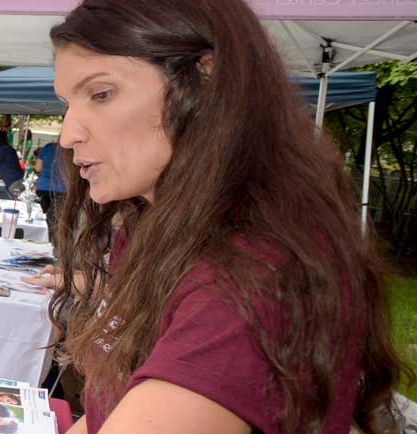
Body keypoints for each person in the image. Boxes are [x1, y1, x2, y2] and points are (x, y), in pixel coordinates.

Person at [36, 1, 410, 433]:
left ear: (204, 79)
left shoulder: (255, 282)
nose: (68, 133)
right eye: (67, 103)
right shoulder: (154, 226)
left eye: (101, 94)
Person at [33, 139, 66, 234]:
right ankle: (52, 238)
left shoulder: (48, 147)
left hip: (43, 186)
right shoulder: (70, 150)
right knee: (56, 218)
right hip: (62, 188)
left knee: (39, 215)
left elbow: (38, 168)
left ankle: (37, 236)